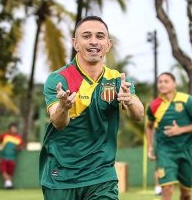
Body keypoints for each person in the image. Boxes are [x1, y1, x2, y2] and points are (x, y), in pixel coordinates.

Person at [39, 16, 144, 200]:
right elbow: (58, 123)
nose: (94, 41)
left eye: (100, 36)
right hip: (61, 174)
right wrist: (64, 107)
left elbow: (139, 114)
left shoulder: (118, 79)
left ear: (108, 44)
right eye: (86, 36)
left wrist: (129, 100)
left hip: (101, 174)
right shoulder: (59, 79)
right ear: (75, 43)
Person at [146, 72, 192, 200]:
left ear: (174, 83)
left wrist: (180, 130)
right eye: (160, 82)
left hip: (185, 150)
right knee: (167, 188)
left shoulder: (187, 100)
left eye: (166, 81)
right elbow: (149, 127)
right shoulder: (153, 106)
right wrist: (150, 147)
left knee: (186, 194)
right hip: (164, 151)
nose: (162, 84)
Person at [0, 122, 24, 189]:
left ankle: (8, 184)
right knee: (3, 170)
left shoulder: (19, 138)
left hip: (13, 158)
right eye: (12, 128)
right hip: (4, 157)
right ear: (9, 129)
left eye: (15, 128)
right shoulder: (5, 136)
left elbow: (22, 147)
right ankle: (9, 184)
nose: (14, 130)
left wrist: (19, 148)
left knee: (10, 173)